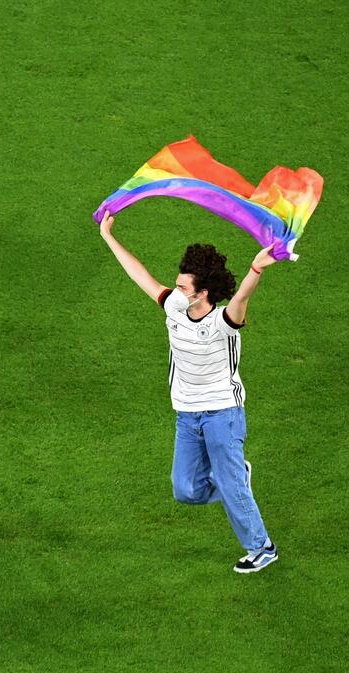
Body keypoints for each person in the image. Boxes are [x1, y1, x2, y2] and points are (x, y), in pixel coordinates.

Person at [98, 210, 279, 574]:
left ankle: (261, 547)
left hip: (223, 414)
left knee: (229, 485)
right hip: (187, 414)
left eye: (183, 287)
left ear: (204, 292)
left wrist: (257, 267)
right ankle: (235, 479)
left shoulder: (224, 322)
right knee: (186, 490)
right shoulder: (175, 307)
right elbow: (139, 275)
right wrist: (108, 237)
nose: (176, 291)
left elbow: (243, 296)